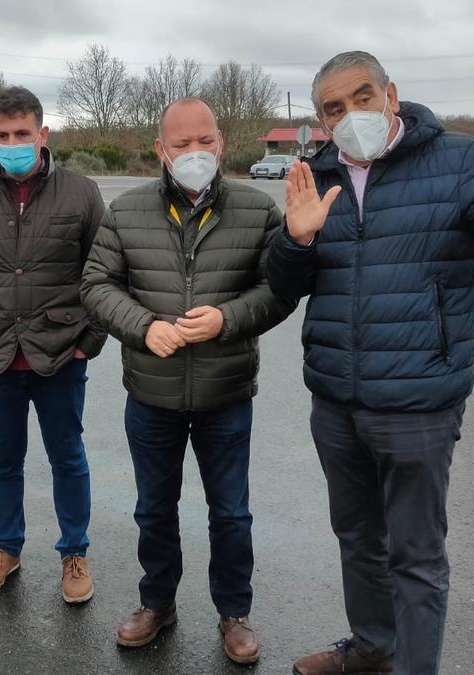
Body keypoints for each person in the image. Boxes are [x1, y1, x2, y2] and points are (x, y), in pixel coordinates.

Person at [265, 51, 474, 675]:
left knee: (417, 557)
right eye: (333, 108)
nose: (351, 115)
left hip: (417, 402)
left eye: (362, 97)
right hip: (336, 400)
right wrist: (294, 240)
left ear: (391, 94)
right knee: (358, 541)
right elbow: (283, 283)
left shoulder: (460, 162)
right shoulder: (316, 175)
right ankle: (373, 648)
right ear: (321, 122)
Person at [80, 97, 296, 665]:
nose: (195, 152)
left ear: (221, 142)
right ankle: (157, 604)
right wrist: (143, 326)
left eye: (205, 140)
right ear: (161, 150)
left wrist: (227, 319)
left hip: (227, 395)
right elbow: (96, 286)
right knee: (155, 507)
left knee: (231, 511)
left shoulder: (257, 210)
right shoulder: (125, 212)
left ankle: (234, 612)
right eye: (182, 144)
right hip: (152, 394)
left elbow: (280, 290)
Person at [0, 86, 107, 603]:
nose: (13, 143)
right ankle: (6, 548)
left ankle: (73, 551)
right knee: (4, 461)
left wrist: (89, 341)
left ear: (42, 134)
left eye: (23, 134)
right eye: (3, 135)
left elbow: (104, 271)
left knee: (67, 458)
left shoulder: (81, 193)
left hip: (61, 353)